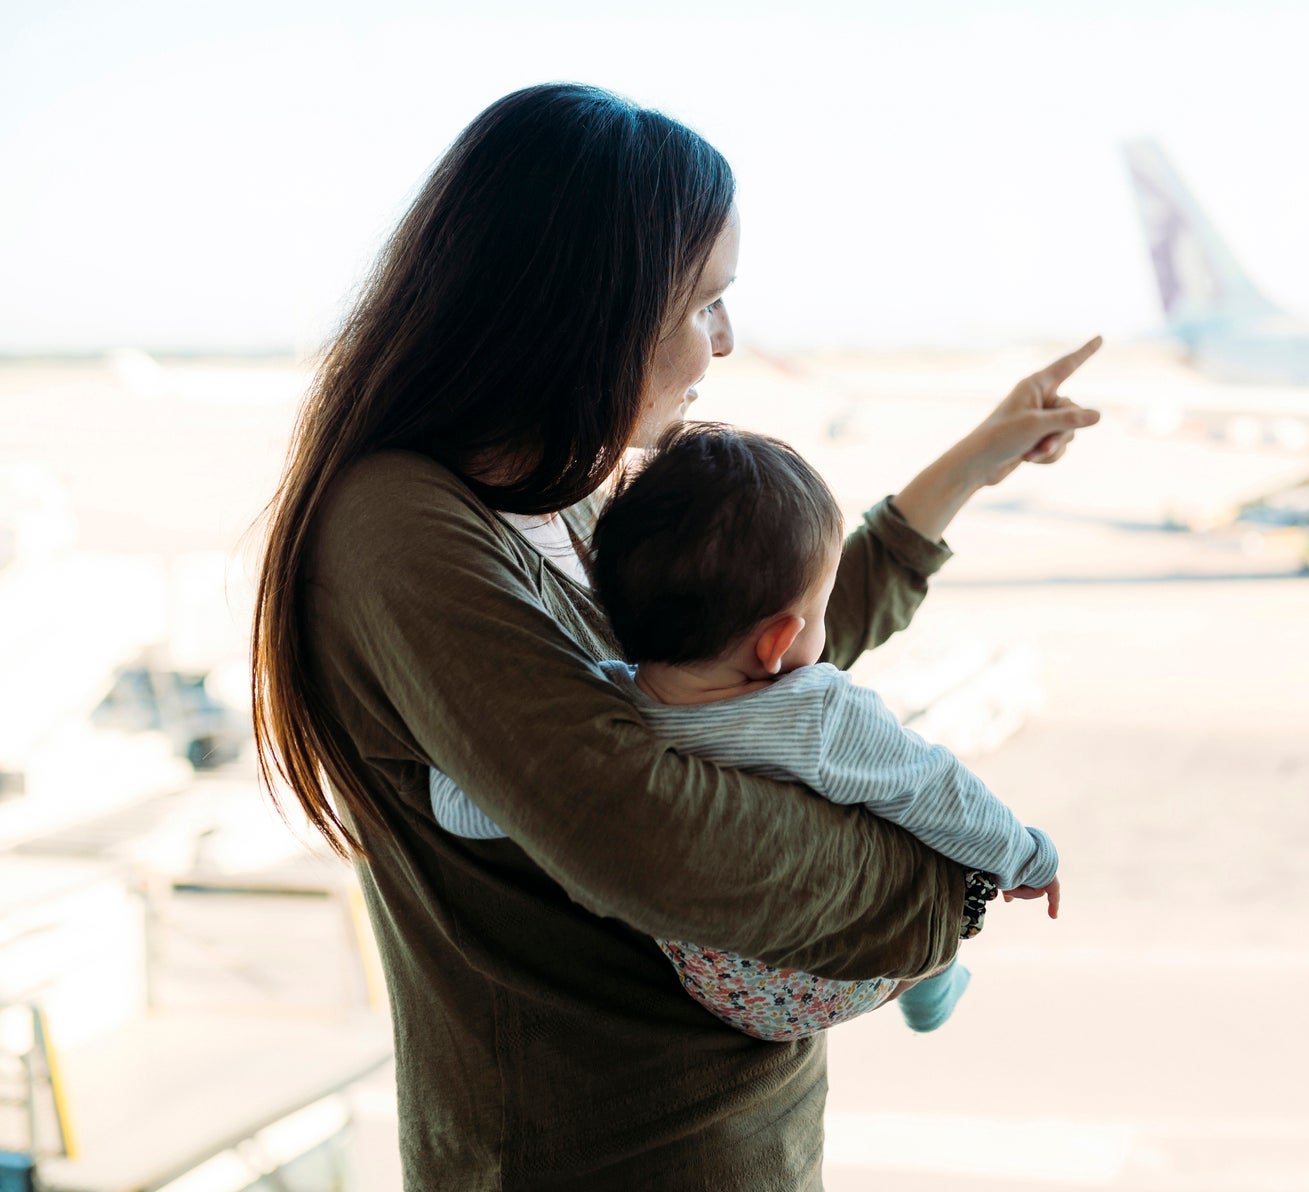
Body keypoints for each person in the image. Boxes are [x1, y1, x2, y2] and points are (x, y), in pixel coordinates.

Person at [249, 81, 1099, 1189]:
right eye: (706, 303)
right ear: (587, 311)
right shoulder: (400, 530)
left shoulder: (565, 499)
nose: (728, 341)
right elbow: (646, 831)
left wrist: (969, 466)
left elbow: (764, 653)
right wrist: (943, 892)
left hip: (734, 1145)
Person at [425, 422, 1062, 1041]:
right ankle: (931, 981)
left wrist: (443, 764)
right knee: (913, 813)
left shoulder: (603, 707)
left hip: (725, 993)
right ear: (779, 640)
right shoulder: (817, 713)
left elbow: (476, 800)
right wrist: (1026, 856)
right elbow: (938, 790)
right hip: (841, 970)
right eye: (819, 608)